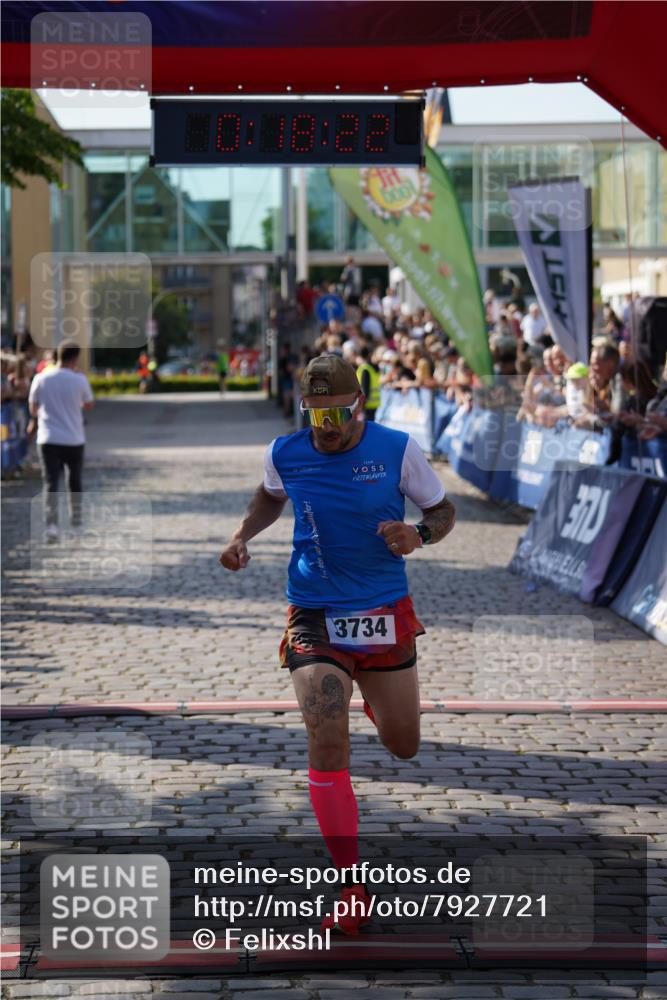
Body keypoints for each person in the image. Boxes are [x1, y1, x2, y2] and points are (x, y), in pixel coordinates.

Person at [219, 355, 455, 934]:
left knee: (404, 745)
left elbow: (443, 509)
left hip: (380, 609)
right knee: (327, 736)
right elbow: (271, 494)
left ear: (361, 404)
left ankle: (377, 698)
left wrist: (417, 534)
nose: (327, 425)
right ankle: (352, 884)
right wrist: (241, 535)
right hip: (315, 612)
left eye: (338, 413)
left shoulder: (397, 448)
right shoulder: (286, 451)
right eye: (316, 412)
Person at [28, 340, 94, 543]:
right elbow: (89, 405)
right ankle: (76, 526)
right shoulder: (79, 380)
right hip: (74, 438)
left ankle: (52, 526)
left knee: (51, 482)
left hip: (48, 438)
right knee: (74, 483)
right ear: (75, 358)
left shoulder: (40, 378)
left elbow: (33, 408)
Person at [355, 345, 381, 420]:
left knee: (365, 428)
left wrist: (361, 406)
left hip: (366, 406)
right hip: (373, 404)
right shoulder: (372, 368)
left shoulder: (365, 369)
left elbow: (365, 390)